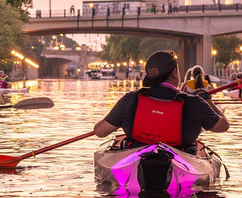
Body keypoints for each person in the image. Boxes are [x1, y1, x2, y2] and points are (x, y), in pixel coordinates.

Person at [93, 50, 229, 153]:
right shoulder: (195, 103)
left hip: (136, 160)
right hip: (181, 162)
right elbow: (223, 126)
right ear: (175, 73)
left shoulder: (130, 100)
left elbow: (100, 131)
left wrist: (118, 121)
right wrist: (208, 101)